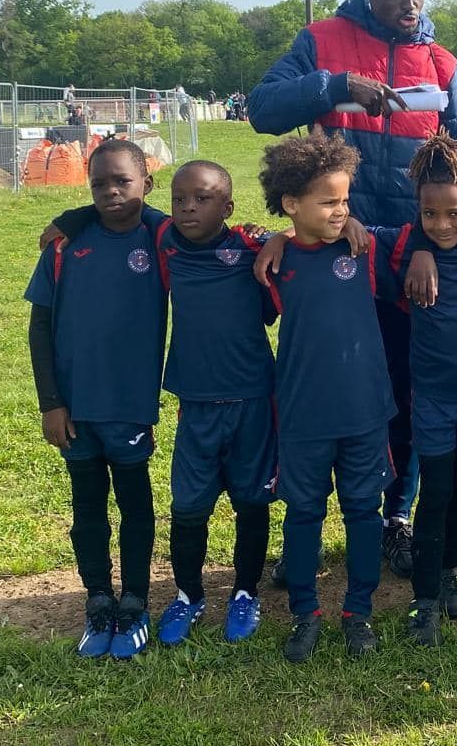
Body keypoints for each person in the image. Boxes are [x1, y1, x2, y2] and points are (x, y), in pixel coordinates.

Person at [248, 0, 457, 578]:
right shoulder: (322, 41)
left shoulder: (443, 65)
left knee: (404, 391)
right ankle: (307, 520)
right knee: (320, 391)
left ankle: (395, 515)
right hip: (329, 262)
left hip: (405, 262)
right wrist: (336, 84)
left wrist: (428, 245)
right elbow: (263, 108)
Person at [24, 140, 166, 660]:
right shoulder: (66, 246)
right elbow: (40, 327)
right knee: (87, 507)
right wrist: (50, 402)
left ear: (146, 184)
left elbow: (211, 229)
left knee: (134, 505)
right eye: (98, 184)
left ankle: (134, 600)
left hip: (129, 405)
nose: (110, 191)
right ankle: (98, 598)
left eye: (122, 182)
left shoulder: (162, 238)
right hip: (74, 407)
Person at [258, 131, 396, 663]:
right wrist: (270, 236)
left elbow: (425, 238)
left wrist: (354, 222)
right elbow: (232, 238)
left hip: (365, 411)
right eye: (329, 202)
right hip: (302, 414)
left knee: (364, 511)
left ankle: (357, 611)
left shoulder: (363, 246)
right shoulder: (273, 260)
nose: (341, 211)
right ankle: (306, 612)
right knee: (303, 513)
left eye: (346, 200)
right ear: (292, 205)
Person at [369, 133, 457, 646]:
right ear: (418, 212)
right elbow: (351, 230)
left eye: (455, 213)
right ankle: (424, 600)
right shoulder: (406, 243)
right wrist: (421, 248)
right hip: (431, 397)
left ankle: (449, 569)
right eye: (431, 215)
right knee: (436, 493)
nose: (443, 224)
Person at [149, 161, 277, 647]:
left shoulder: (250, 248)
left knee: (252, 501)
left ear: (228, 207)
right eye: (180, 198)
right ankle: (188, 595)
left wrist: (275, 240)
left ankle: (245, 592)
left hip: (252, 401)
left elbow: (274, 300)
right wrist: (71, 220)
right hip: (197, 405)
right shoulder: (164, 243)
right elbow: (124, 208)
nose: (187, 208)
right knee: (188, 507)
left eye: (201, 199)